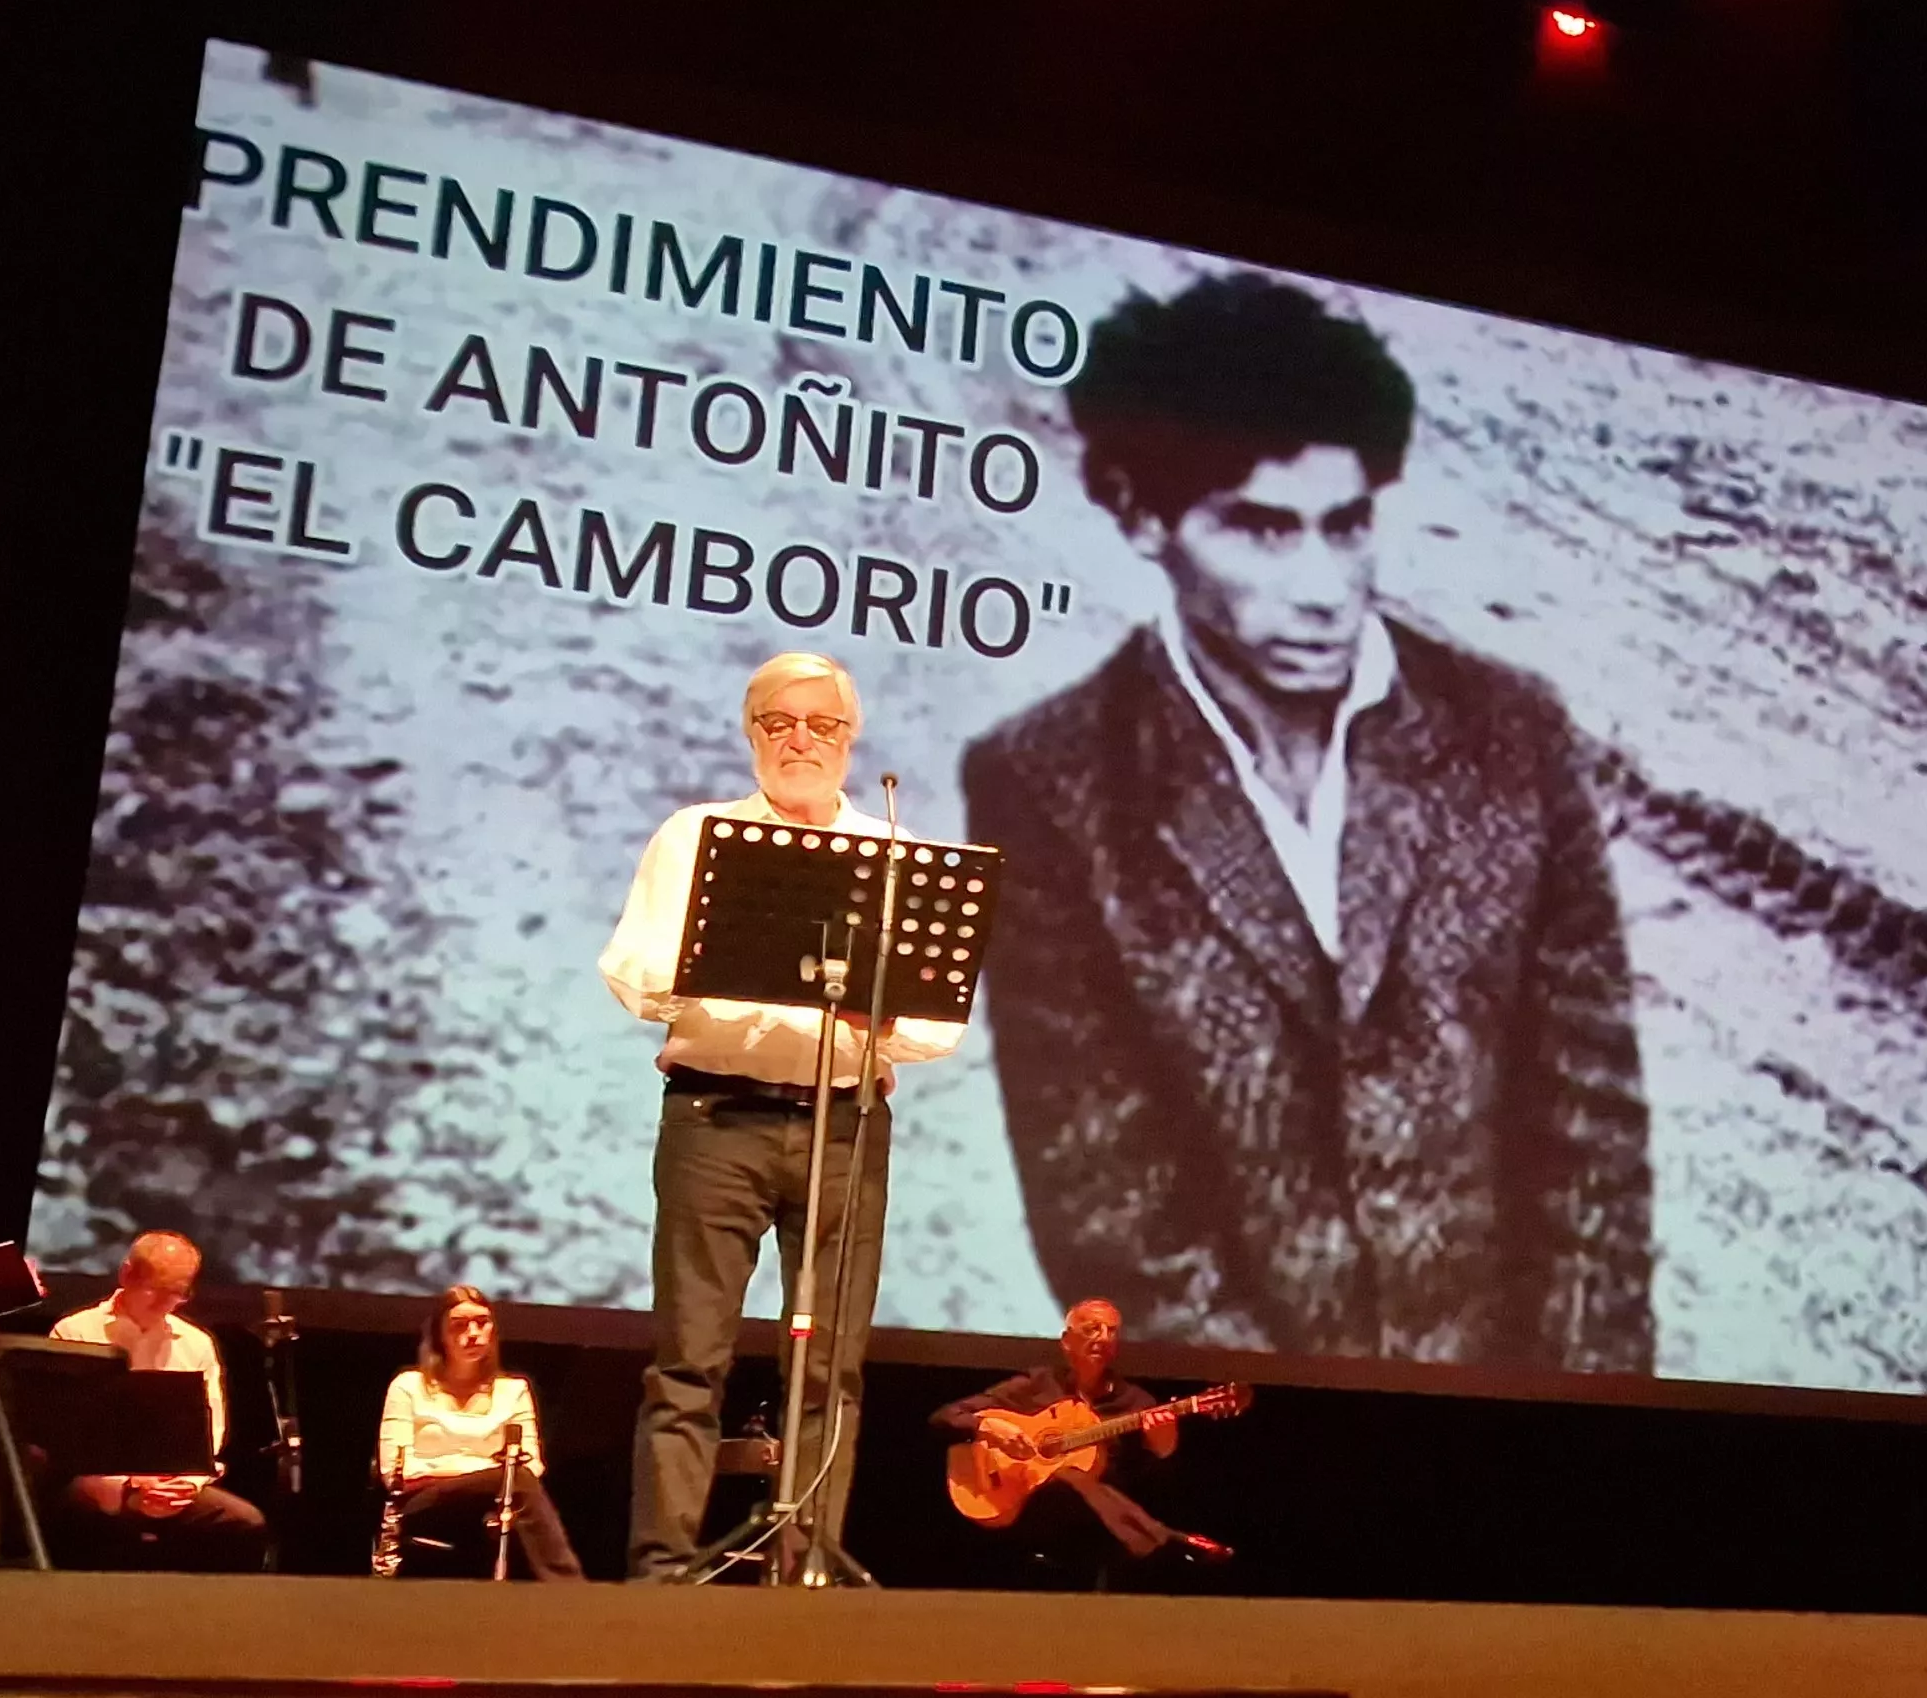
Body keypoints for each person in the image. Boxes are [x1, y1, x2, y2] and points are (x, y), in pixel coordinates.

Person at [963, 272, 1650, 1372]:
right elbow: (1106, 1199)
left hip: (1506, 1435)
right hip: (1240, 1444)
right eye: (1262, 530)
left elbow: (1589, 1141)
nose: (1325, 585)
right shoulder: (1049, 780)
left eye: (1347, 524)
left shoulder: (1508, 732)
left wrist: (1570, 1427)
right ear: (1143, 517)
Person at [600, 651, 968, 1582]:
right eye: (779, 723)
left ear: (851, 741)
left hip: (844, 1125)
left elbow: (932, 1028)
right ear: (750, 732)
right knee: (689, 1362)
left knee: (829, 1368)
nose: (800, 740)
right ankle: (661, 1572)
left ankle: (803, 1570)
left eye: (822, 725)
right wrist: (748, 973)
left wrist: (870, 1014)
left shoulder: (897, 854)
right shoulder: (698, 837)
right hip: (715, 1119)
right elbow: (634, 973)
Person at [932, 1298, 1234, 1585]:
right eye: (1091, 1329)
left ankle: (1156, 1543)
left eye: (1111, 1331)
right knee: (1066, 1477)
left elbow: (1152, 1482)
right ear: (1066, 1341)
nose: (1102, 1337)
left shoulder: (1137, 1403)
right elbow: (944, 1417)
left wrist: (1163, 1445)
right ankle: (1169, 1541)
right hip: (1028, 1511)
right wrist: (988, 1427)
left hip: (1097, 1525)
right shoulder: (1037, 1385)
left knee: (1073, 1478)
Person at [42, 1232, 266, 1570]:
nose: (166, 1302)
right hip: (102, 1484)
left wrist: (186, 1484)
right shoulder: (76, 1331)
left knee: (245, 1524)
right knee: (94, 1515)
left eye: (177, 1292)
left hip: (171, 1486)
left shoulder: (196, 1343)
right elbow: (67, 1430)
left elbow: (211, 1430)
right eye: (156, 1289)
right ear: (127, 1274)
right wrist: (134, 1484)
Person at [376, 1287, 583, 1581]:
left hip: (496, 1500)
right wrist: (491, 1472)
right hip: (424, 1500)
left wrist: (480, 1476)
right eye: (460, 1325)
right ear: (440, 1335)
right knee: (515, 1484)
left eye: (482, 1322)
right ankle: (569, 1587)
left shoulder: (514, 1390)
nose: (473, 1333)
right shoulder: (409, 1386)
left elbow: (532, 1466)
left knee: (517, 1496)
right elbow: (396, 1471)